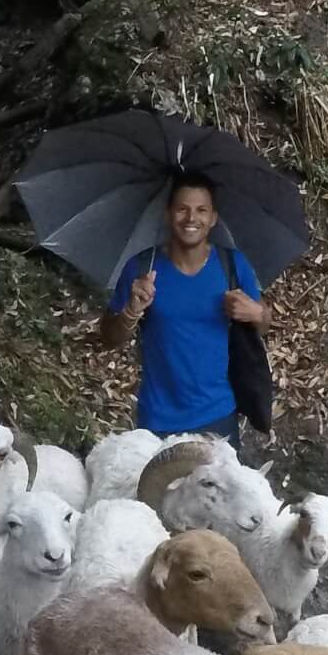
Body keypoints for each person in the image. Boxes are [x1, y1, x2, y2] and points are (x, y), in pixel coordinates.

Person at [100, 171, 271, 451]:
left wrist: (257, 313)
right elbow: (108, 337)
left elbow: (263, 325)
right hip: (157, 420)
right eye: (182, 209)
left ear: (213, 218)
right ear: (168, 215)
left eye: (201, 210)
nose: (191, 218)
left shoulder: (232, 265)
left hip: (218, 417)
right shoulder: (142, 268)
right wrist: (132, 310)